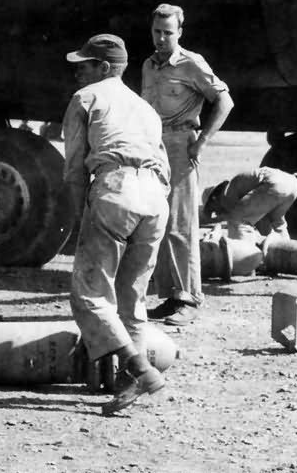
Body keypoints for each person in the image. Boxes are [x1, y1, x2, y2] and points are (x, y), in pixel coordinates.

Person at [62, 32, 171, 416]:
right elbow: (165, 167)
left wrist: (78, 217)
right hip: (155, 198)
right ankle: (124, 382)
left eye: (85, 65)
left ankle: (140, 369)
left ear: (104, 68)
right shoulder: (145, 108)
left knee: (90, 293)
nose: (77, 71)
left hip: (115, 189)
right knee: (131, 297)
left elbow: (75, 169)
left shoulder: (86, 99)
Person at [141, 2, 233, 328]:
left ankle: (190, 298)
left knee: (181, 225)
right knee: (160, 224)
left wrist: (202, 141)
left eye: (168, 32)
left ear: (180, 32)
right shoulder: (149, 66)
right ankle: (171, 296)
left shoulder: (192, 64)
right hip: (153, 148)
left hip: (182, 148)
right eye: (157, 32)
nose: (162, 38)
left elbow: (224, 100)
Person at [200, 167, 297, 239]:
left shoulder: (227, 193)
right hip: (292, 184)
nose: (217, 213)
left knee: (237, 219)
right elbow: (262, 220)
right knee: (277, 222)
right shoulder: (238, 185)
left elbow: (237, 217)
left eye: (213, 209)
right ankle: (287, 249)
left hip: (274, 184)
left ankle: (241, 256)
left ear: (214, 199)